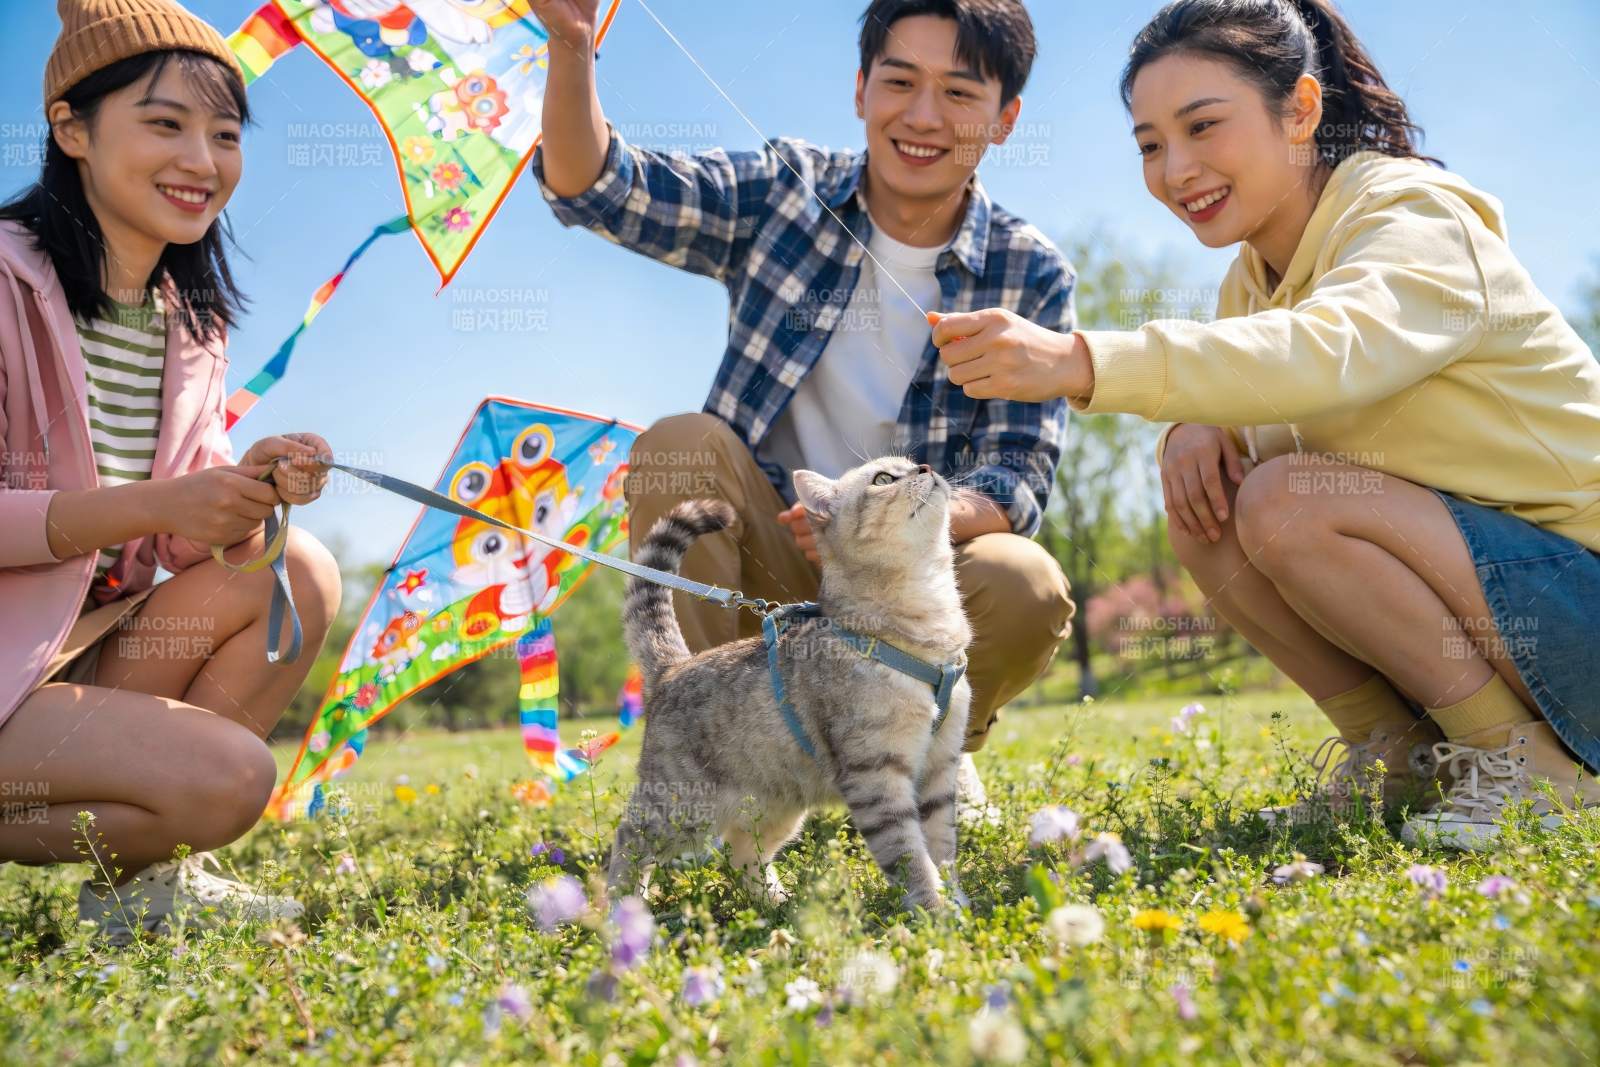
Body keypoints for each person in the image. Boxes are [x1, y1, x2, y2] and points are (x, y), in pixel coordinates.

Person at [930, 0, 1600, 848]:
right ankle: (1392, 757)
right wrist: (1192, 427)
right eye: (1149, 145)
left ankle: (1522, 761)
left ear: (1303, 111)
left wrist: (1083, 361)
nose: (1176, 169)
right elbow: (1257, 361)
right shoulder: (1252, 278)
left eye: (1203, 126)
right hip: (1512, 619)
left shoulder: (1413, 217)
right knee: (1206, 494)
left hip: (1580, 601)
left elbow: (1326, 349)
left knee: (1291, 497)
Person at [529, 0, 1076, 799]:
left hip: (906, 588)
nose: (923, 116)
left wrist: (878, 532)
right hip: (769, 567)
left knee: (1024, 580)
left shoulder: (1030, 272)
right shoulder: (788, 193)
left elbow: (1016, 477)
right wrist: (572, 50)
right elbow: (601, 188)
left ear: (1005, 119)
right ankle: (714, 769)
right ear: (860, 89)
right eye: (899, 81)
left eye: (960, 94)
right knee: (683, 440)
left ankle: (926, 752)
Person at [0, 0, 342, 941]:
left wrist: (242, 493)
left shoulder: (191, 322)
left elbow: (165, 537)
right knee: (229, 778)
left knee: (294, 568)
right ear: (71, 126)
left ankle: (135, 885)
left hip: (63, 655)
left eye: (225, 134)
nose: (203, 161)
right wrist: (157, 500)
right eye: (165, 124)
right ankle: (149, 842)